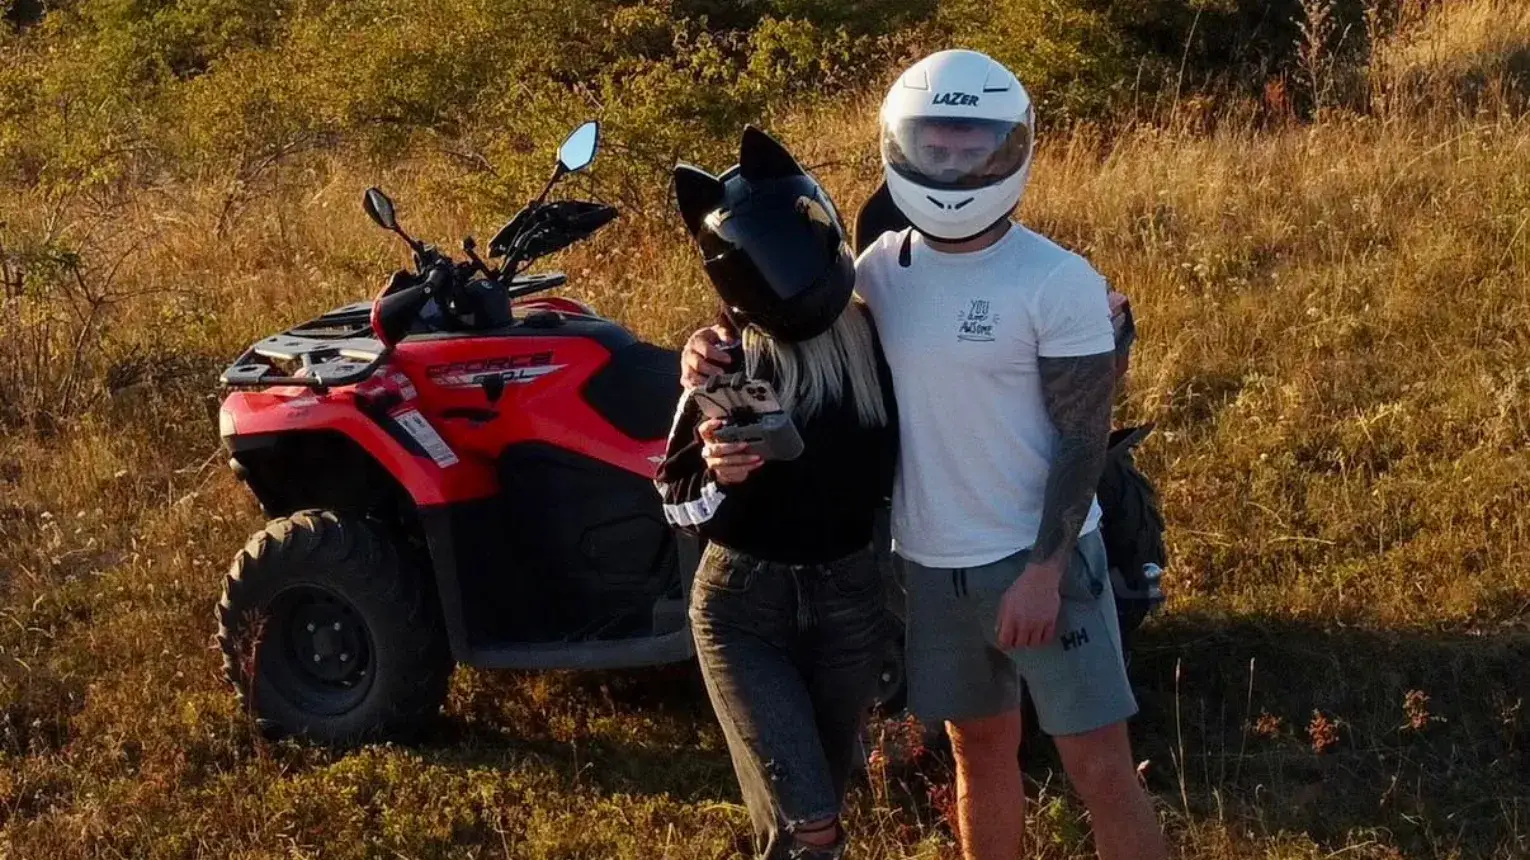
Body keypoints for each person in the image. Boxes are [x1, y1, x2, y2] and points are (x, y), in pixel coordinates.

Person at [682, 50, 1169, 860]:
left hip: (1040, 563)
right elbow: (784, 318)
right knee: (978, 754)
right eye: (933, 146)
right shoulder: (878, 271)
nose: (950, 164)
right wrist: (702, 346)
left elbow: (1086, 437)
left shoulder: (1056, 279)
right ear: (899, 147)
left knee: (1101, 771)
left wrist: (1045, 572)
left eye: (971, 146)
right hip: (932, 567)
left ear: (1010, 148)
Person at [657, 125, 898, 860]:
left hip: (851, 597)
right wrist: (718, 474)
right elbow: (673, 496)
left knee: (813, 804)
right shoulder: (728, 362)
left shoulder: (881, 334)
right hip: (744, 605)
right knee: (811, 822)